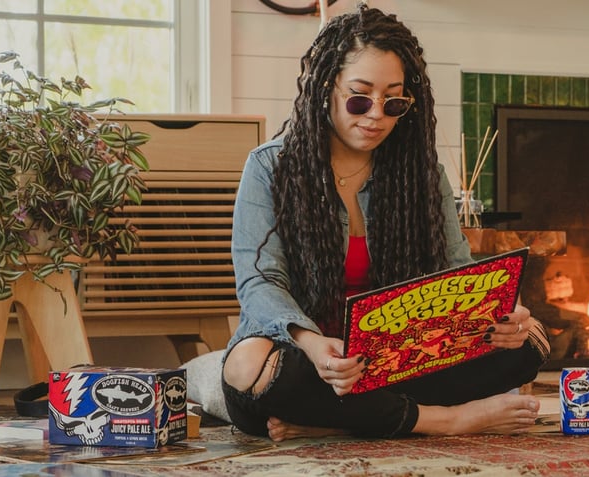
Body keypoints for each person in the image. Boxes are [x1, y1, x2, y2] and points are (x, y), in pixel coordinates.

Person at [222, 3, 550, 442]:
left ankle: (332, 423)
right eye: (359, 98)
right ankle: (448, 420)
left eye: (393, 101)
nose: (376, 115)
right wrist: (313, 343)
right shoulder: (270, 167)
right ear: (327, 88)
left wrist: (502, 316)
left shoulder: (421, 172)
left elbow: (457, 266)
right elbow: (259, 283)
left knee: (531, 342)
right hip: (310, 357)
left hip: (396, 357)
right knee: (253, 367)